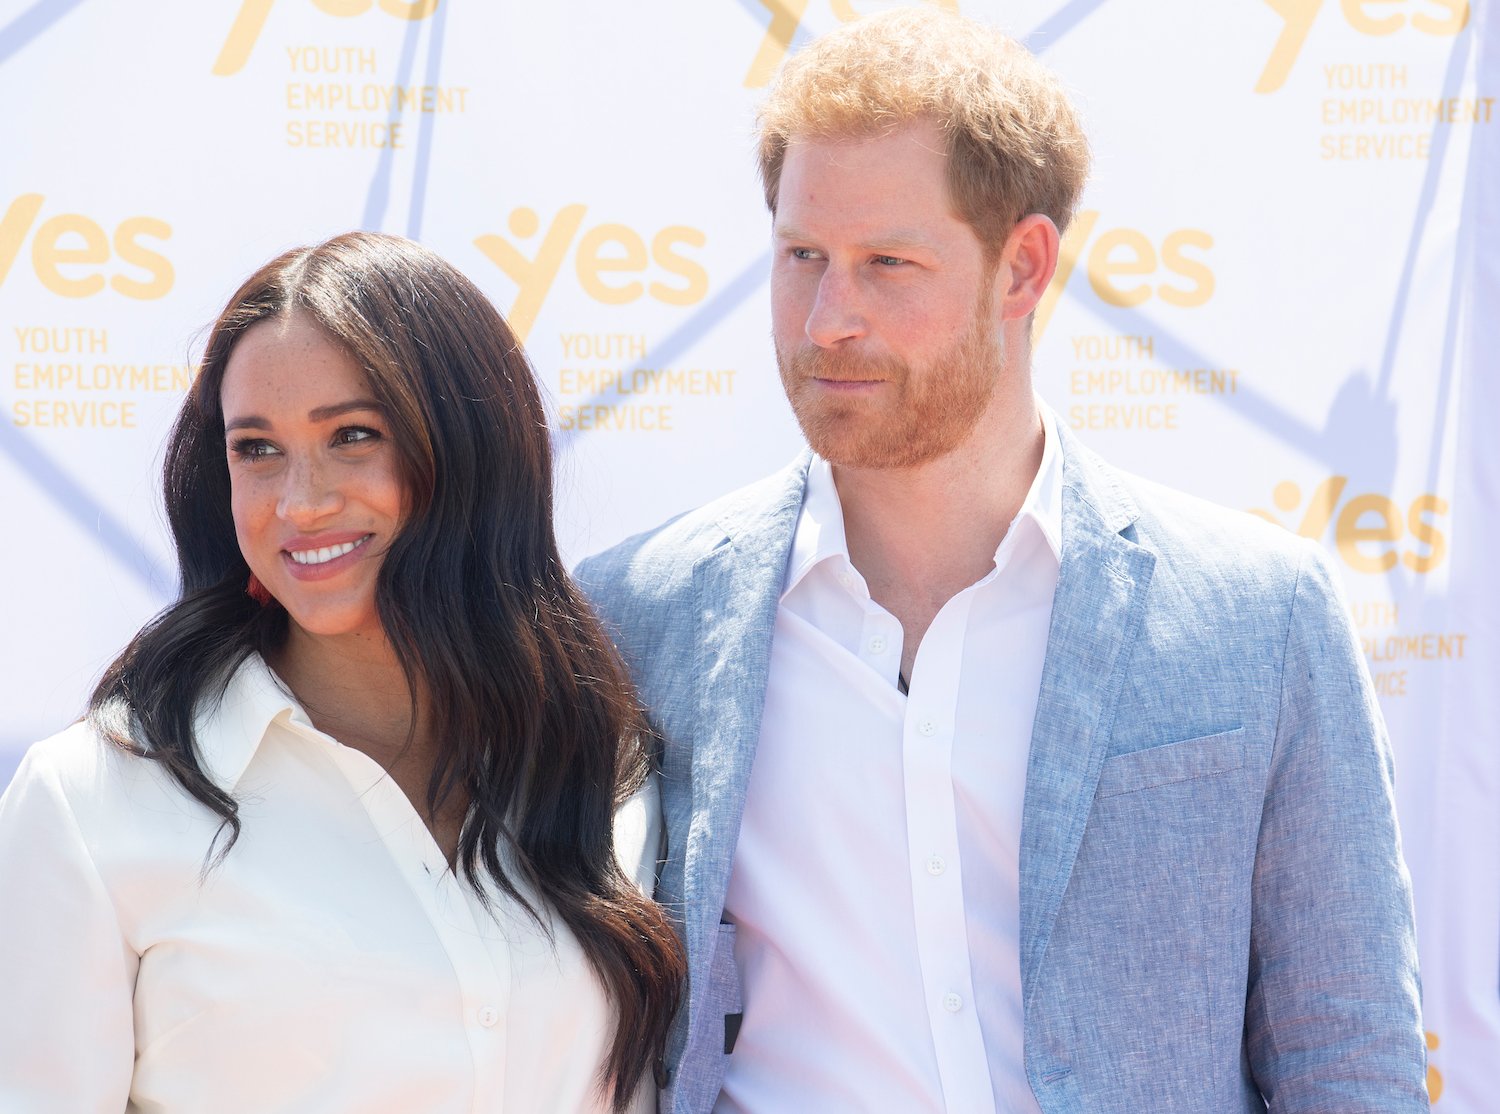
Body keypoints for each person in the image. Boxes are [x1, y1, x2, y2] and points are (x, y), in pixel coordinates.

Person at [575, 9, 1427, 1113]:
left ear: (1022, 267)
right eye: (802, 259)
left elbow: (1348, 1053)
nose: (829, 318)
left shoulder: (1258, 615)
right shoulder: (641, 614)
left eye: (888, 263)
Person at [0, 231, 683, 1113]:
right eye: (257, 449)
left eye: (353, 436)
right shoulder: (94, 801)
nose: (300, 501)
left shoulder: (606, 764)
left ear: (472, 452)